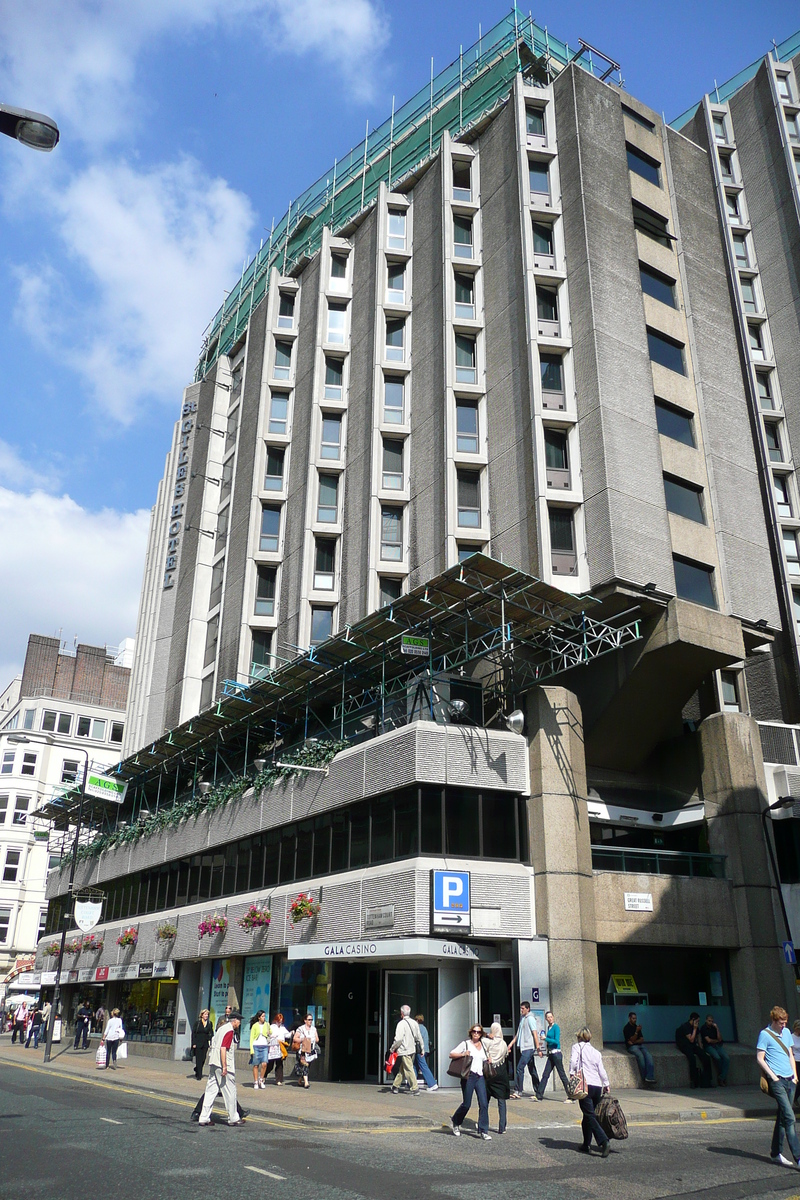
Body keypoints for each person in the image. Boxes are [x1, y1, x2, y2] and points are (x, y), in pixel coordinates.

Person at [757, 1004, 800, 1168]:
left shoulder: (787, 1032)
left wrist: (795, 1076)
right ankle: (798, 1158)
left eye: (785, 1022)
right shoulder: (765, 1035)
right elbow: (760, 1058)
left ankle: (775, 1153)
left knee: (783, 1117)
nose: (784, 1026)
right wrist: (773, 1077)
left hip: (790, 1080)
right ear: (774, 1021)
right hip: (778, 1081)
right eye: (781, 1023)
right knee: (789, 1117)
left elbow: (790, 1054)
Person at [570, 1027, 611, 1158]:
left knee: (590, 1115)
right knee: (587, 1116)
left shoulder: (577, 1047)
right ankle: (586, 1143)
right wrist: (606, 1084)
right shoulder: (596, 1052)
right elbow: (601, 1070)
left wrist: (572, 1074)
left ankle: (604, 1141)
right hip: (597, 1086)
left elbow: (573, 1061)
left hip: (585, 1085)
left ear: (580, 1037)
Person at [199, 1010, 243, 1126]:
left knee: (210, 1091)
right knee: (230, 1091)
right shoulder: (229, 1031)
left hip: (213, 1062)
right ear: (235, 1021)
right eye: (239, 1021)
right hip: (222, 1064)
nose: (239, 1024)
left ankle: (203, 1117)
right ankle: (233, 1118)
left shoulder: (221, 1029)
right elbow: (223, 1048)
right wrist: (225, 1067)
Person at [449, 1024, 491, 1140]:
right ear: (471, 1032)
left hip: (480, 1076)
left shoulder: (483, 1045)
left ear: (481, 1034)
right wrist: (463, 1054)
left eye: (478, 1032)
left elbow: (485, 1058)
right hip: (469, 1076)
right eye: (474, 1031)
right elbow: (451, 1054)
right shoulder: (466, 1044)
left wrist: (489, 1060)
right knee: (467, 1104)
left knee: (484, 1103)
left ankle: (483, 1130)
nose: (476, 1033)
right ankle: (456, 1121)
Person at [536, 1010, 573, 1101]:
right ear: (546, 1019)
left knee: (562, 1075)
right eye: (548, 1017)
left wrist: (546, 1039)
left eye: (551, 1017)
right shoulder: (549, 1028)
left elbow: (556, 1041)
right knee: (545, 1074)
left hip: (556, 1053)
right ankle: (539, 1095)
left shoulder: (556, 1027)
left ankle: (571, 1096)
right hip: (551, 1054)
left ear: (553, 1017)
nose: (550, 1019)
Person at [482, 1022, 511, 1134]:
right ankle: (502, 1127)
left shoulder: (488, 1042)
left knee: (485, 1101)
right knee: (501, 1101)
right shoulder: (503, 1044)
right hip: (501, 1073)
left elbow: (482, 1040)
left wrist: (487, 1035)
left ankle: (483, 1123)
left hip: (490, 1073)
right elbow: (505, 1055)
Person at [508, 1001, 540, 1097]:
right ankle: (539, 1090)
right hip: (524, 1048)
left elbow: (535, 1034)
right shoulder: (522, 1019)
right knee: (532, 1070)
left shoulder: (530, 1019)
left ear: (528, 1009)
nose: (521, 1010)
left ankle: (518, 1090)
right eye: (521, 1008)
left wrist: (538, 1047)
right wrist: (510, 1044)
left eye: (523, 1008)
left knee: (519, 1068)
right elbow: (518, 1034)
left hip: (529, 1048)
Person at [389, 1005, 423, 1096]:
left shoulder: (401, 1024)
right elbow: (418, 1036)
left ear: (402, 1013)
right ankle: (395, 1086)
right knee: (403, 1068)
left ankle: (415, 1088)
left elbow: (398, 1039)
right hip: (412, 1049)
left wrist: (393, 1048)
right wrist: (422, 1048)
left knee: (408, 1069)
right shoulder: (414, 1023)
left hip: (405, 1050)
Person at [675, 1012, 712, 1087]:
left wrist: (701, 1050)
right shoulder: (685, 1026)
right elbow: (691, 1039)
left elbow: (698, 1038)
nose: (698, 1023)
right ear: (693, 1019)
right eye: (697, 1021)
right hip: (685, 1045)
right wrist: (694, 1029)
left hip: (693, 1046)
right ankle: (693, 1080)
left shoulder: (696, 1027)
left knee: (706, 1058)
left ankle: (707, 1080)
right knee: (692, 1059)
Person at [623, 1011, 655, 1086]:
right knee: (640, 1057)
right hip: (632, 1047)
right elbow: (632, 1039)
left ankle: (650, 1076)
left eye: (635, 1018)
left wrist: (633, 1041)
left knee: (649, 1056)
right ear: (629, 1018)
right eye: (633, 1018)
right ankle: (644, 1078)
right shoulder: (626, 1028)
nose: (635, 1020)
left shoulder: (637, 1027)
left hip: (639, 1045)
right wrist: (636, 1032)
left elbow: (641, 1039)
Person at [292, 1013, 319, 1089]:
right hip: (302, 1050)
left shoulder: (314, 1029)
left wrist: (313, 1040)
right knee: (305, 1065)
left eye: (311, 1020)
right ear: (305, 1020)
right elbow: (295, 1038)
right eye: (309, 1020)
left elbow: (317, 1039)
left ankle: (300, 1079)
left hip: (310, 1050)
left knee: (307, 1065)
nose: (310, 1021)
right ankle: (306, 1082)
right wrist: (303, 1039)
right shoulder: (301, 1029)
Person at [701, 1014, 729, 1086]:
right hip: (709, 1046)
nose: (710, 1022)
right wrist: (716, 1040)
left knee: (726, 1058)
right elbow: (708, 1041)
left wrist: (717, 1028)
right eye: (709, 1021)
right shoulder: (703, 1028)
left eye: (712, 1021)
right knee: (717, 1057)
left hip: (717, 1046)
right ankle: (721, 1078)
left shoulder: (714, 1028)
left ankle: (721, 1077)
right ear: (706, 1020)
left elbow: (720, 1039)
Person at [264, 1012, 290, 1085]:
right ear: (275, 1020)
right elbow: (268, 1034)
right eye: (279, 1021)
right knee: (270, 1064)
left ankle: (279, 1080)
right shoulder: (272, 1026)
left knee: (279, 1064)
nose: (280, 1022)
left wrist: (291, 1033)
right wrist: (272, 1036)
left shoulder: (282, 1028)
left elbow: (287, 1035)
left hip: (280, 1047)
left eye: (281, 1021)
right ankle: (264, 1075)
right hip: (273, 1046)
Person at [414, 1013, 438, 1091]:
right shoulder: (424, 1028)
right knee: (414, 1065)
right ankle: (411, 1083)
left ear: (417, 1020)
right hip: (424, 1050)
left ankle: (432, 1084)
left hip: (419, 1050)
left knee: (423, 1066)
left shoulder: (418, 1028)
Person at [192, 1009, 213, 1080]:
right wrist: (194, 1043)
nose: (206, 1016)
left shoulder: (209, 1023)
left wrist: (209, 1038)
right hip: (198, 1043)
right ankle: (199, 1075)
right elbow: (193, 1033)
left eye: (207, 1014)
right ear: (202, 1015)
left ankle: (197, 1068)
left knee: (203, 1058)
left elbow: (211, 1033)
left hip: (205, 1043)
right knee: (199, 1059)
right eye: (205, 1014)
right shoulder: (197, 1023)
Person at [250, 1010, 269, 1088]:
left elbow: (270, 1032)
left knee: (264, 1064)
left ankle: (261, 1079)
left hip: (264, 1045)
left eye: (264, 1016)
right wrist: (251, 1049)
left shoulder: (267, 1024)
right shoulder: (255, 1025)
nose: (264, 1018)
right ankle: (255, 1082)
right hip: (256, 1046)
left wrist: (269, 1033)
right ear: (259, 1017)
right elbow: (251, 1038)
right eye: (262, 1016)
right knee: (256, 1065)